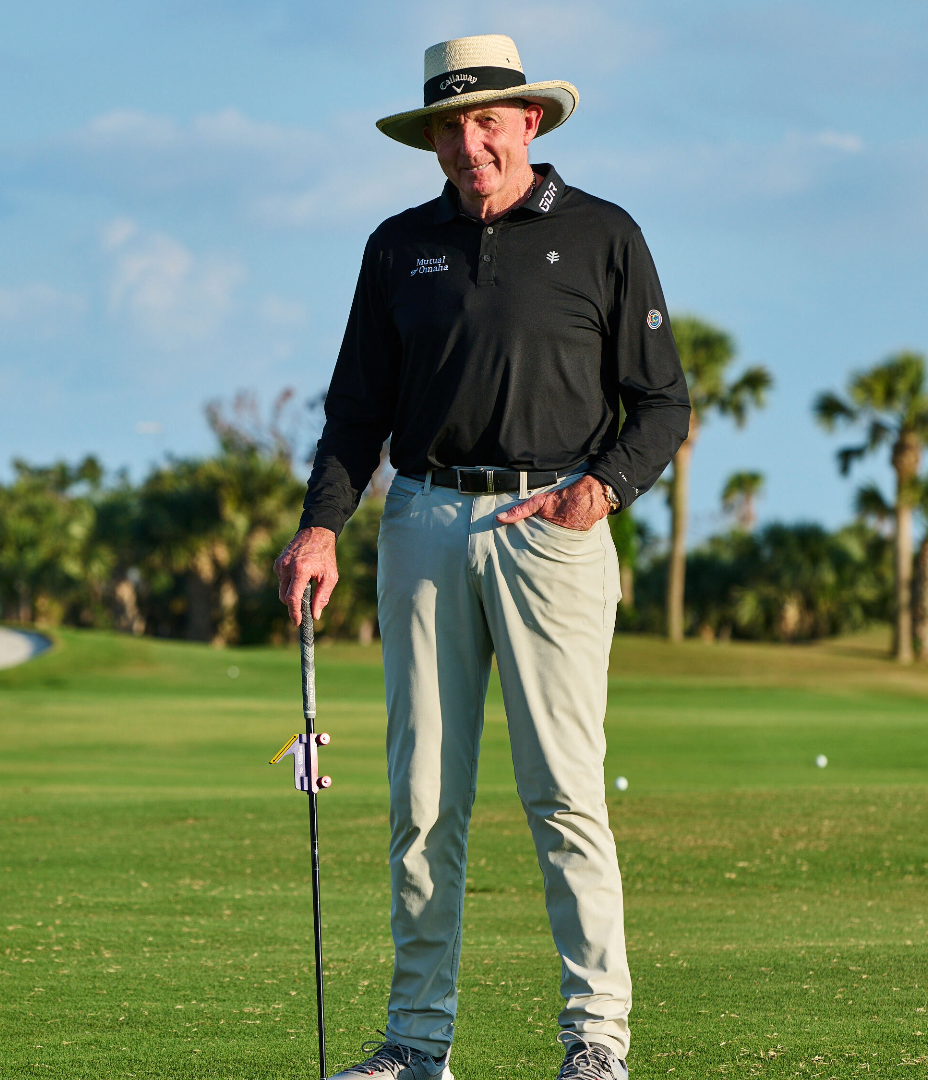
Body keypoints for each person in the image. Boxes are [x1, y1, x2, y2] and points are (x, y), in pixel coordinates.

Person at [274, 34, 691, 1080]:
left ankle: (595, 1041)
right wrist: (323, 523)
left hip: (552, 527)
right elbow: (355, 411)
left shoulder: (603, 235)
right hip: (420, 520)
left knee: (563, 794)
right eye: (450, 129)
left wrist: (603, 490)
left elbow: (661, 401)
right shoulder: (397, 247)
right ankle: (417, 1045)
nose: (469, 145)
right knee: (422, 796)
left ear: (530, 123)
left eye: (487, 122)